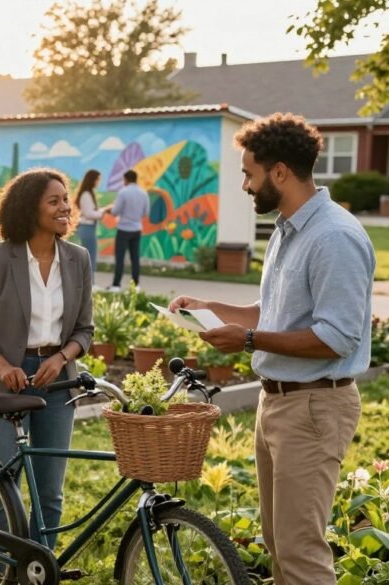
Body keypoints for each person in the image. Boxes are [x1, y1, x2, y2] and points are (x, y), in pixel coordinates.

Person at [170, 113, 374, 585]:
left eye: (249, 173)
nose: (244, 185)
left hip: (314, 406)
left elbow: (336, 338)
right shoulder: (287, 228)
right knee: (280, 545)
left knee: (301, 553)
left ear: (279, 172)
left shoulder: (334, 237)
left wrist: (245, 340)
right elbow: (274, 312)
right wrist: (211, 306)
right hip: (278, 402)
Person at [0, 168, 95, 550]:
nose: (64, 207)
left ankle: (38, 570)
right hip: (6, 383)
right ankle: (3, 572)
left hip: (58, 382)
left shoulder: (78, 259)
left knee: (50, 492)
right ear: (28, 208)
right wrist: (4, 366)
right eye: (53, 201)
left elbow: (85, 330)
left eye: (65, 199)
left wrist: (62, 357)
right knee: (6, 485)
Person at [107, 169, 150, 292]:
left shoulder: (123, 192)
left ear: (125, 179)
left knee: (120, 258)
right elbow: (146, 213)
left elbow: (115, 212)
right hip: (137, 229)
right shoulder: (143, 193)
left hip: (123, 229)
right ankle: (136, 285)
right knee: (135, 258)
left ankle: (116, 285)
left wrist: (110, 209)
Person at [74, 169, 112, 277]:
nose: (98, 182)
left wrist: (103, 210)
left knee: (90, 256)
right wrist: (103, 212)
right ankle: (90, 284)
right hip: (87, 228)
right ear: (92, 180)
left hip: (88, 228)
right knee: (90, 257)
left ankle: (90, 282)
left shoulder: (88, 193)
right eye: (98, 180)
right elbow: (89, 213)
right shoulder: (86, 194)